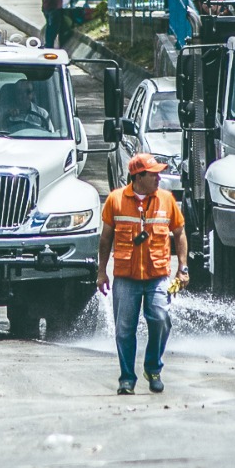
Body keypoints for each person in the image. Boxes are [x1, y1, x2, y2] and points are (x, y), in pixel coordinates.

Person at [98, 153, 186, 394]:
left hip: (158, 276)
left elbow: (179, 233)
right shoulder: (115, 200)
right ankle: (127, 378)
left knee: (160, 319)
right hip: (126, 279)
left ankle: (153, 367)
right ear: (138, 177)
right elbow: (105, 239)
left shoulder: (167, 200)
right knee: (124, 330)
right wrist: (101, 273)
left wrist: (183, 269)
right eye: (153, 174)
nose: (159, 177)